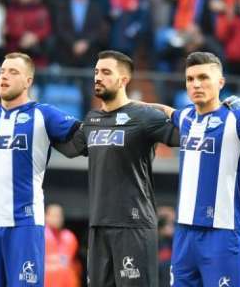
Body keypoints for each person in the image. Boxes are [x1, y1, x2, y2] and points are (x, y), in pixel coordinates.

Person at [56, 50, 179, 287]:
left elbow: (184, 136)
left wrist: (167, 110)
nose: (97, 77)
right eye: (96, 72)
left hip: (133, 223)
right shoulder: (92, 119)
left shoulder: (144, 115)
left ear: (124, 80)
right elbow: (70, 148)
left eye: (105, 72)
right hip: (99, 223)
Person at [0, 52, 80, 286]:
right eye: (2, 71)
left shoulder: (43, 114)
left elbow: (82, 139)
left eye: (13, 72)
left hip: (24, 224)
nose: (4, 76)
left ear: (28, 81)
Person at [165, 52, 240, 287]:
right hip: (184, 233)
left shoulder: (239, 118)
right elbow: (168, 112)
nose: (196, 84)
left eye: (203, 77)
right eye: (190, 79)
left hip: (221, 232)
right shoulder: (186, 116)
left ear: (221, 82)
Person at [45, 203, 80, 287]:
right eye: (53, 215)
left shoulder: (70, 237)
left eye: (59, 215)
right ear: (46, 216)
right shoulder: (39, 237)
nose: (57, 218)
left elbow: (73, 264)